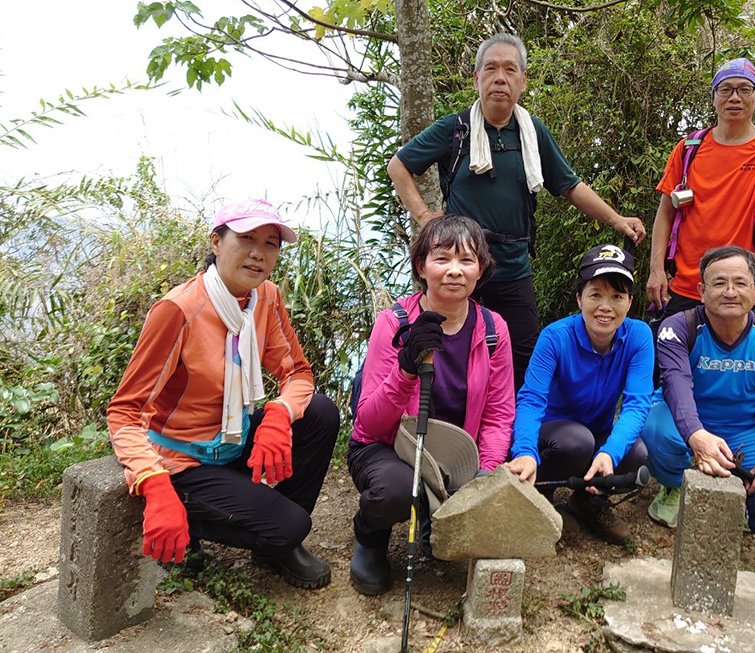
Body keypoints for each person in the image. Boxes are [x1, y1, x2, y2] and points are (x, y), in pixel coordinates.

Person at [388, 33, 646, 391]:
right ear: (476, 78)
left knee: (522, 361)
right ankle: (453, 440)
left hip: (513, 269)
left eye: (510, 70)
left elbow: (569, 186)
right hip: (464, 269)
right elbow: (399, 166)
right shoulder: (456, 129)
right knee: (452, 356)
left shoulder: (531, 133)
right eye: (490, 69)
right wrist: (423, 216)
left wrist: (617, 220)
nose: (500, 78)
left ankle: (515, 444)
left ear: (522, 81)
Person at [107, 199, 340, 589]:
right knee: (291, 524)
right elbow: (125, 412)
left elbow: (297, 372)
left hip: (233, 439)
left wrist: (280, 414)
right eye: (246, 238)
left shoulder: (265, 297)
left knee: (319, 413)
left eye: (271, 243)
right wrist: (155, 483)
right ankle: (193, 517)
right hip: (184, 458)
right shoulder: (179, 310)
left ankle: (277, 544)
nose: (259, 253)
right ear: (217, 242)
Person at [348, 214, 515, 596]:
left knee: (470, 509)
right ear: (421, 266)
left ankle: (432, 513)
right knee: (395, 489)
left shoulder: (493, 330)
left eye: (466, 260)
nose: (454, 271)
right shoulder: (395, 323)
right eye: (442, 258)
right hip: (389, 448)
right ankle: (370, 537)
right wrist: (406, 367)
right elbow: (368, 425)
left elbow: (498, 412)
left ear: (481, 270)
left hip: (452, 455)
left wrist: (484, 473)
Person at [641, 245, 755, 528]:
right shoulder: (678, 327)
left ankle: (744, 491)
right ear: (701, 290)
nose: (730, 291)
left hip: (744, 430)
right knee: (653, 432)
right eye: (719, 283)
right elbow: (676, 386)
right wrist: (697, 436)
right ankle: (676, 485)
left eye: (740, 283)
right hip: (682, 424)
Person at [645, 58, 755, 317]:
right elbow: (666, 212)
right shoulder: (689, 149)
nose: (734, 97)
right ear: (714, 98)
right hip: (689, 285)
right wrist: (656, 269)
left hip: (747, 290)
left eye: (744, 89)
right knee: (677, 357)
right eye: (725, 89)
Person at [507, 244, 653, 545]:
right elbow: (531, 399)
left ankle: (586, 501)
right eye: (595, 294)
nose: (606, 306)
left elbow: (637, 403)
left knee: (636, 453)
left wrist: (610, 452)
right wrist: (524, 450)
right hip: (554, 435)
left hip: (597, 432)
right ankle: (538, 495)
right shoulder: (556, 337)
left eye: (617, 296)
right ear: (579, 298)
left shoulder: (638, 337)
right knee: (576, 441)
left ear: (629, 302)